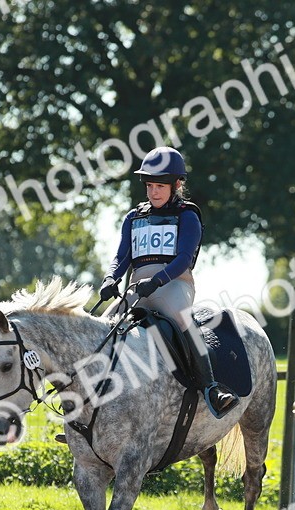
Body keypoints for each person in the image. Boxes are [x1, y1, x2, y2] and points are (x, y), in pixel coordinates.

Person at [99, 146, 240, 418]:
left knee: (181, 317)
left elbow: (184, 259)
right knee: (102, 328)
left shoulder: (188, 215)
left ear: (176, 185)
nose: (153, 192)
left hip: (173, 285)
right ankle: (88, 407)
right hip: (136, 289)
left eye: (160, 186)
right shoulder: (134, 217)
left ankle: (211, 387)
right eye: (150, 185)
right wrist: (110, 278)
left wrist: (158, 279)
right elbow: (121, 257)